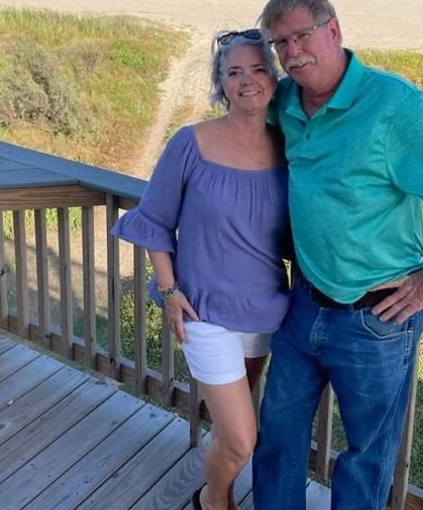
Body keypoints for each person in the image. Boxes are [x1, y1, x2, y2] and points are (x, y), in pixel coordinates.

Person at [252, 0, 423, 510]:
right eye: (280, 44)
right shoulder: (286, 102)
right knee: (277, 438)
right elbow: (242, 104)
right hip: (302, 304)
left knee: (366, 458)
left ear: (334, 30)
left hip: (376, 321)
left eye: (301, 36)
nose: (293, 54)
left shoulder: (391, 105)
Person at [111, 29, 291, 510]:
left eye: (258, 70)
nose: (247, 81)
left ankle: (220, 489)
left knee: (232, 425)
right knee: (240, 439)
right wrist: (169, 293)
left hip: (265, 312)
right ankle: (213, 501)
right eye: (234, 72)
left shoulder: (290, 149)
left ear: (274, 81)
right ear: (221, 84)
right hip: (203, 311)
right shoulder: (191, 143)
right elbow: (154, 222)